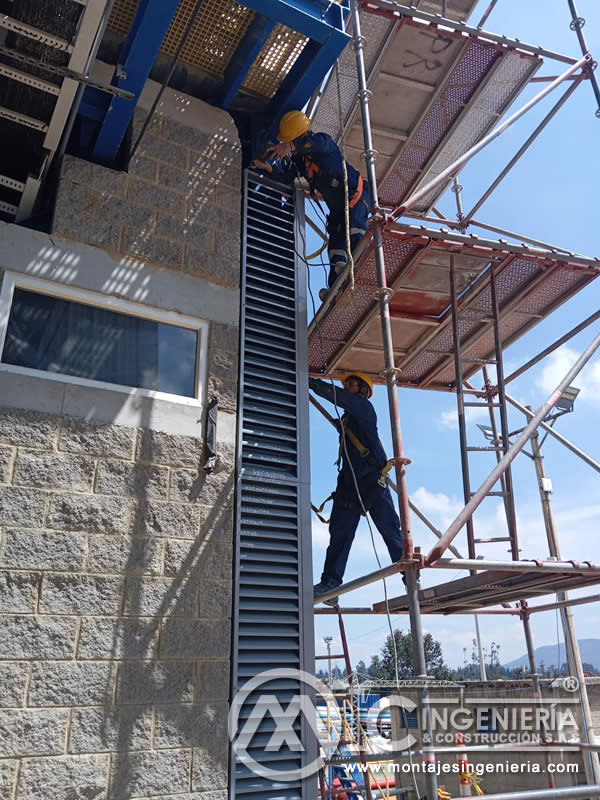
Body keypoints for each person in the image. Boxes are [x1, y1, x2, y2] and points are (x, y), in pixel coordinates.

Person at [251, 110, 370, 296]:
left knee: (355, 235)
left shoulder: (322, 142)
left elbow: (315, 144)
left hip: (356, 197)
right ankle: (336, 289)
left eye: (290, 140)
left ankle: (362, 278)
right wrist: (267, 168)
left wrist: (289, 147)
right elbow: (287, 178)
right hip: (338, 207)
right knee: (336, 248)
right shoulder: (301, 161)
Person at [309, 372, 404, 606]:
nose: (348, 386)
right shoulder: (348, 420)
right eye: (348, 384)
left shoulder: (364, 409)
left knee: (390, 531)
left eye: (353, 384)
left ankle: (410, 577)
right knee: (339, 533)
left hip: (372, 479)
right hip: (349, 483)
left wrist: (311, 383)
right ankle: (331, 583)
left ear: (363, 391)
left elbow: (339, 397)